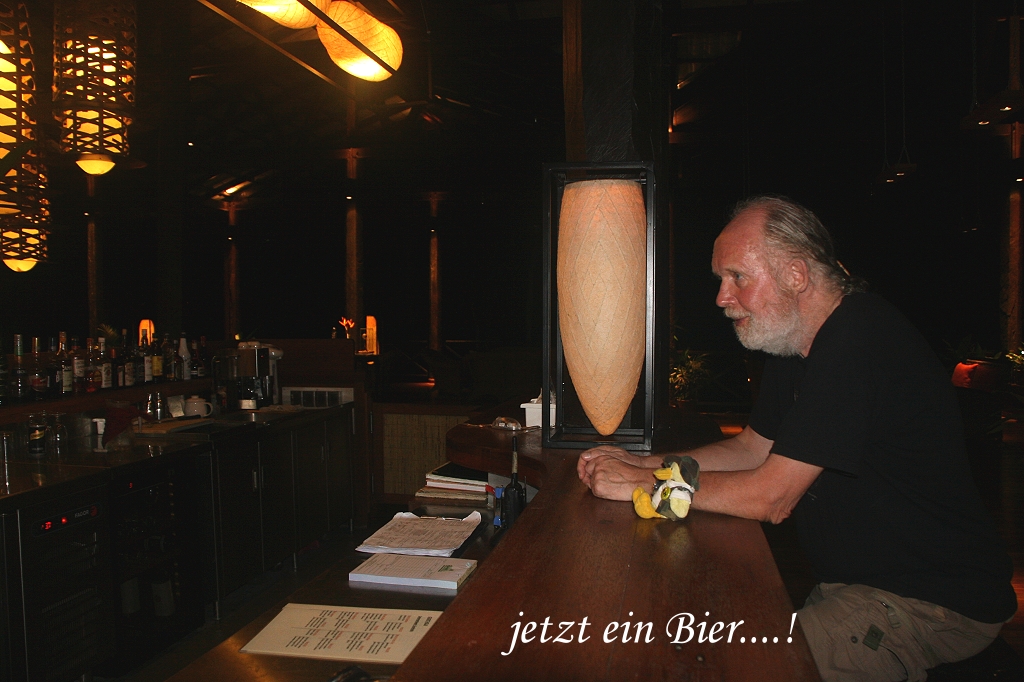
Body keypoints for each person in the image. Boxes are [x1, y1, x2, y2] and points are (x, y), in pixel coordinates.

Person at [577, 196, 1017, 682]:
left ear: (796, 274)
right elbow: (751, 448)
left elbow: (772, 498)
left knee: (732, 669)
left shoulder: (859, 340)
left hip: (932, 604)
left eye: (737, 277)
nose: (721, 297)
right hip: (857, 587)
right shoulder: (797, 346)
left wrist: (642, 485)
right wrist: (644, 461)